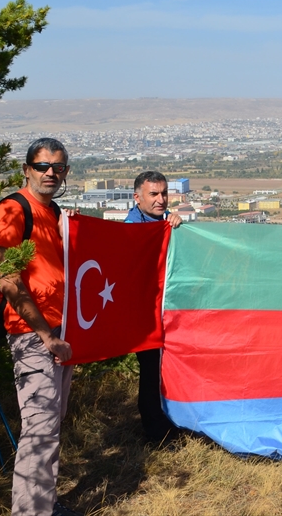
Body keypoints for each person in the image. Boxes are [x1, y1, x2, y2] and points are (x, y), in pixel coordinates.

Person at [0, 138, 76, 516]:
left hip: (61, 333)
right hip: (35, 335)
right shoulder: (13, 209)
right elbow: (8, 280)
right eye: (42, 166)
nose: (50, 173)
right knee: (39, 430)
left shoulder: (54, 212)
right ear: (26, 169)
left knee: (50, 426)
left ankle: (43, 503)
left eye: (57, 167)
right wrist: (46, 335)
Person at [124, 171, 181, 443]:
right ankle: (155, 430)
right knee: (150, 370)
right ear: (137, 198)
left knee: (168, 367)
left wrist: (177, 228)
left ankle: (171, 419)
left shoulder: (166, 220)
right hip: (144, 314)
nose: (161, 200)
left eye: (164, 193)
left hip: (168, 310)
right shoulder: (132, 227)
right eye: (154, 194)